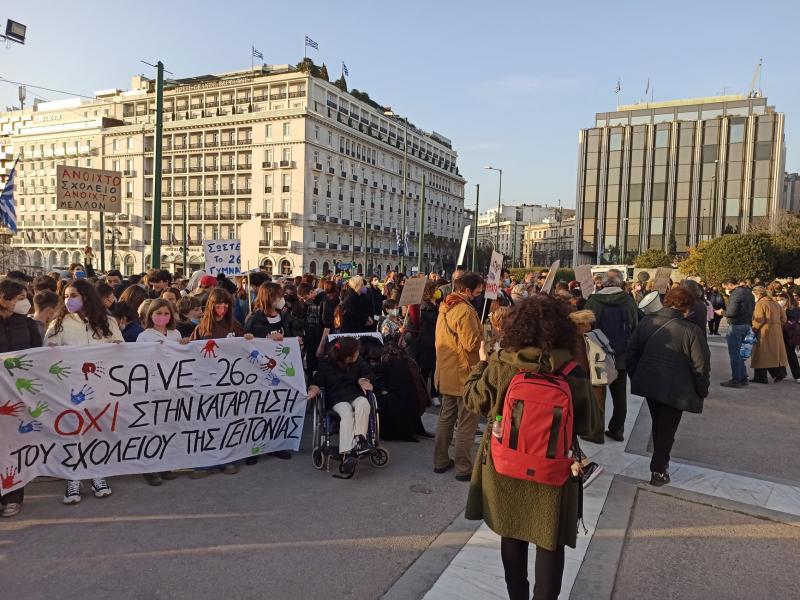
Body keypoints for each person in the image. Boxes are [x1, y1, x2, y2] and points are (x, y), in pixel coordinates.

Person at [463, 295, 593, 600]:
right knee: (550, 540)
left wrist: (481, 364)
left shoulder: (502, 362)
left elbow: (474, 400)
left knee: (512, 531)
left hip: (507, 463)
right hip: (553, 468)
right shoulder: (571, 368)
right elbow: (589, 424)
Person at [45, 279, 123, 504]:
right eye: (66, 296)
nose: (68, 300)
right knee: (72, 433)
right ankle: (73, 477)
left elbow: (120, 350)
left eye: (73, 295)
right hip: (69, 389)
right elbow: (47, 352)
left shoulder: (107, 321)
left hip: (100, 388)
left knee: (96, 431)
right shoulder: (59, 323)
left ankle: (97, 473)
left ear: (86, 297)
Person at [627, 287, 710, 486]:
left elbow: (631, 353)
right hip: (676, 387)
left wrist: (637, 375)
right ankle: (658, 469)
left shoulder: (647, 321)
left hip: (650, 382)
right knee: (666, 429)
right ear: (687, 307)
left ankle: (660, 462)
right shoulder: (691, 330)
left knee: (659, 424)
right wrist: (702, 389)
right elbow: (701, 365)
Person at [188, 288, 253, 476]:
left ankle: (227, 458)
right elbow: (191, 353)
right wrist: (185, 344)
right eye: (218, 303)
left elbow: (245, 350)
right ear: (211, 305)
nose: (222, 308)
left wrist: (248, 339)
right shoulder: (201, 328)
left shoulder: (235, 326)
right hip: (207, 382)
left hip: (230, 382)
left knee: (227, 421)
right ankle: (204, 462)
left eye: (225, 304)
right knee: (207, 422)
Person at [433, 272, 484, 481]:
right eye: (477, 291)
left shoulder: (446, 306)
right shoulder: (464, 310)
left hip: (446, 371)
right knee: (466, 422)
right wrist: (485, 336)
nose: (478, 295)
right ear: (466, 290)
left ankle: (440, 460)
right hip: (463, 373)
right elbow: (471, 344)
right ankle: (463, 467)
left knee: (446, 418)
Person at [0, 279, 43, 518]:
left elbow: (37, 355)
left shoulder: (27, 325)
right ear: (4, 299)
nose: (23, 302)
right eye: (18, 298)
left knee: (15, 444)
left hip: (19, 392)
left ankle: (13, 496)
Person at [307, 337, 375, 476]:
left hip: (354, 394)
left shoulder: (358, 361)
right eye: (355, 353)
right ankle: (347, 453)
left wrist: (364, 381)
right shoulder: (326, 364)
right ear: (347, 356)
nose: (358, 354)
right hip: (337, 398)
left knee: (364, 403)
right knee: (346, 413)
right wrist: (313, 390)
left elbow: (366, 373)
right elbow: (317, 381)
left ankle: (360, 439)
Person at [585, 273, 638, 441]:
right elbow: (635, 325)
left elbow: (586, 326)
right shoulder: (629, 301)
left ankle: (596, 432)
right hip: (621, 355)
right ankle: (617, 430)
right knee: (620, 395)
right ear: (620, 283)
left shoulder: (593, 301)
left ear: (603, 284)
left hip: (598, 354)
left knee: (598, 395)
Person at [136, 299, 184, 486]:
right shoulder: (144, 336)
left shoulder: (175, 333)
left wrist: (184, 345)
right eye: (158, 313)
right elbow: (140, 360)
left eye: (166, 313)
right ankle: (149, 468)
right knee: (151, 428)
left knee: (167, 427)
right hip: (153, 386)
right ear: (150, 315)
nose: (162, 317)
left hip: (171, 387)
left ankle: (164, 464)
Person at [719, 279, 755, 388]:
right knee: (741, 354)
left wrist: (721, 312)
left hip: (736, 326)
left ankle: (736, 380)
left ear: (730, 285)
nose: (725, 289)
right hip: (747, 325)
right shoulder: (749, 293)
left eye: (725, 287)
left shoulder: (735, 294)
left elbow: (731, 312)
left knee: (735, 354)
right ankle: (743, 378)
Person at [750, 285, 788, 384]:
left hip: (764, 331)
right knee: (774, 353)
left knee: (761, 354)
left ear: (757, 293)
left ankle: (760, 377)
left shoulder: (760, 303)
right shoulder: (775, 303)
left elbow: (759, 320)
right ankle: (779, 373)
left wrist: (753, 330)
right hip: (776, 331)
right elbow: (784, 319)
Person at [779, 293, 800, 382]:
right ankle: (781, 374)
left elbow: (792, 319)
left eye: (782, 299)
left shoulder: (794, 309)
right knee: (782, 354)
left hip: (789, 335)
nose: (780, 301)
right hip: (784, 333)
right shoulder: (784, 308)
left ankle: (797, 375)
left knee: (790, 354)